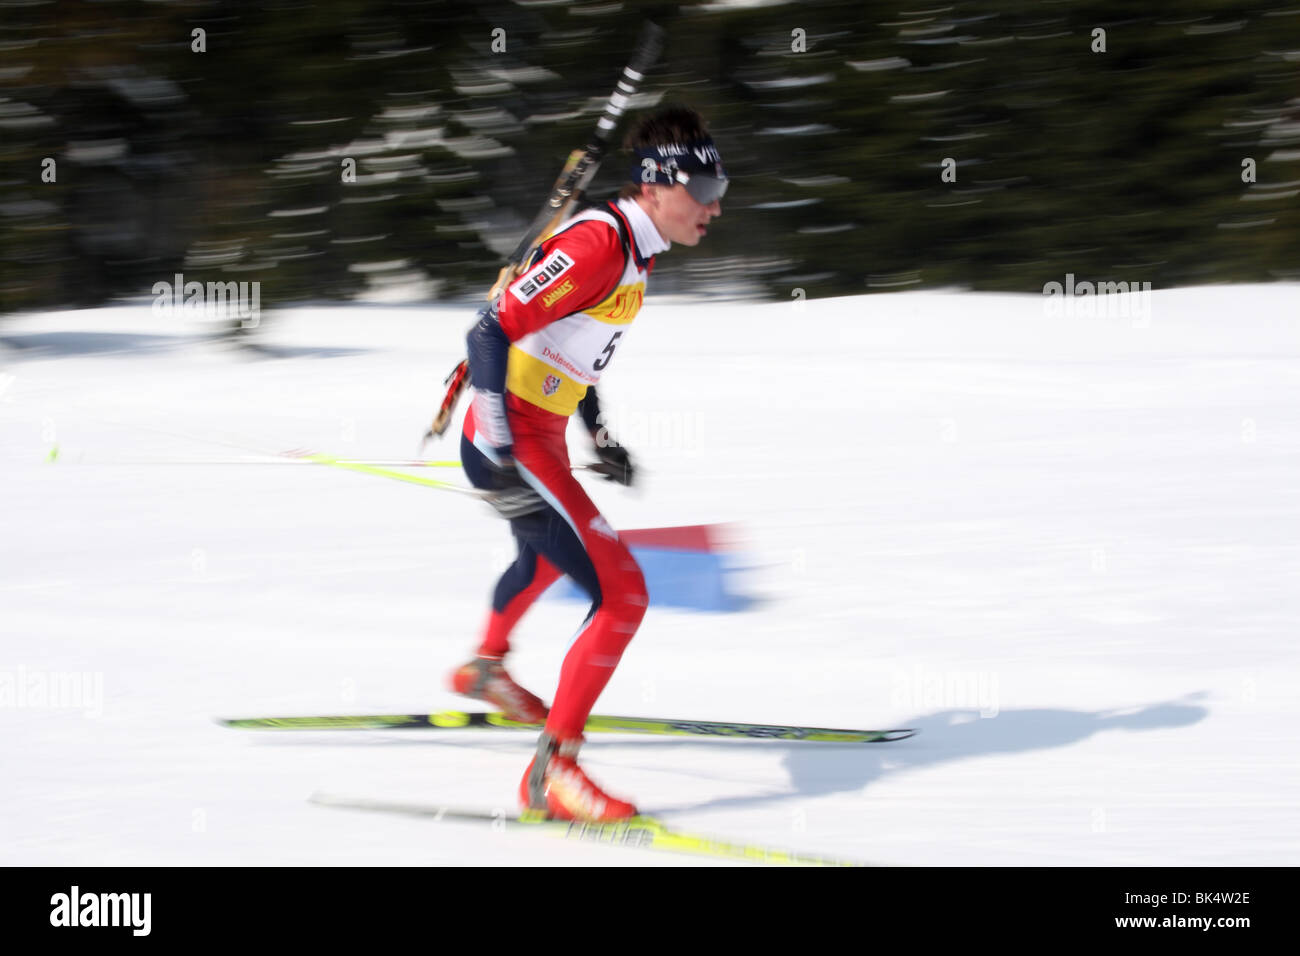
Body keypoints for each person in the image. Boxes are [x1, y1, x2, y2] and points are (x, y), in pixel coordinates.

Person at [449, 105, 728, 822]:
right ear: (657, 185)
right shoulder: (602, 244)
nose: (714, 204)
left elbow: (574, 348)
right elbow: (490, 332)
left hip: (535, 436)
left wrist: (599, 435)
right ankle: (552, 773)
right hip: (510, 440)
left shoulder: (637, 252)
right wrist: (503, 447)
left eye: (719, 184)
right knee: (623, 594)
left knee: (546, 556)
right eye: (702, 187)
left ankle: (484, 667)